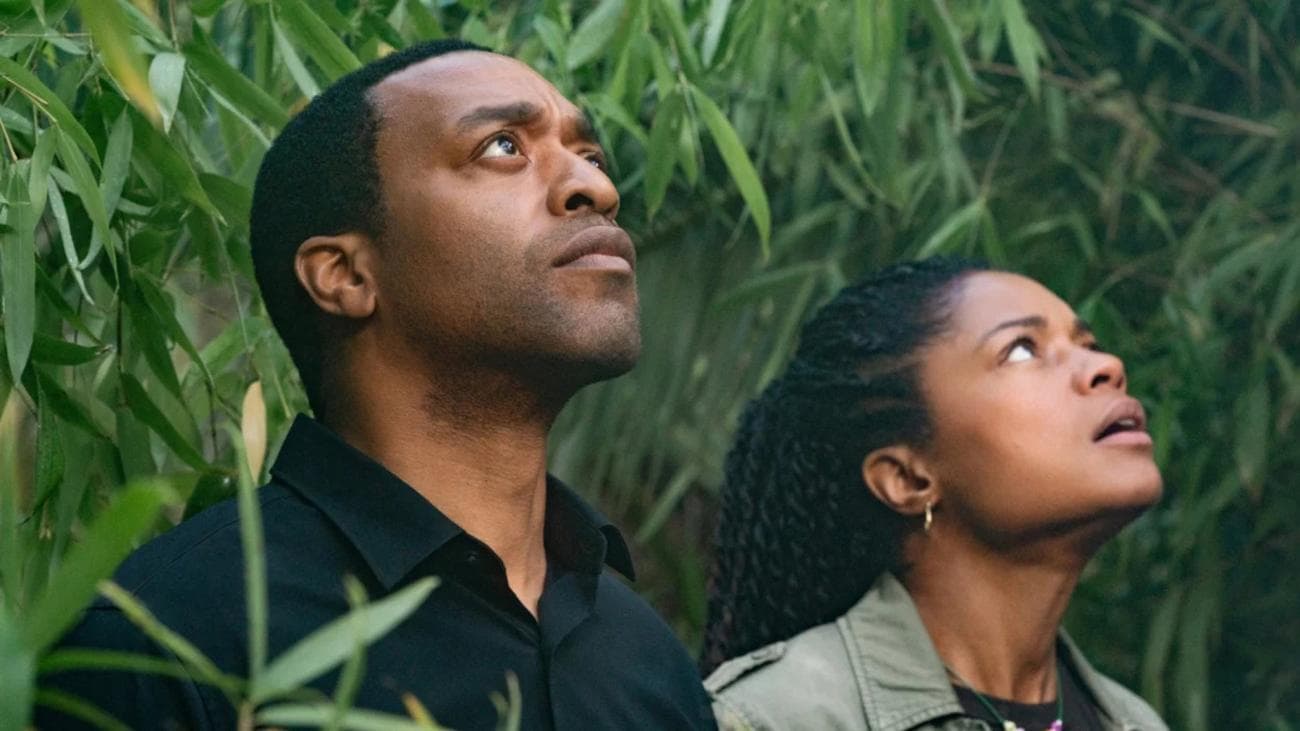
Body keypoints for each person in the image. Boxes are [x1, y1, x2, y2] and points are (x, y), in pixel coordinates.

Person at [38, 39, 716, 730]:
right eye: (504, 146)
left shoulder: (650, 663)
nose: (597, 187)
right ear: (346, 275)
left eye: (592, 156)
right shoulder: (160, 651)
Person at [701, 257, 1168, 731]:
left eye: (1089, 344)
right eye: (1023, 350)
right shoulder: (780, 718)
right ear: (908, 478)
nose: (1107, 367)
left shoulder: (1135, 723)